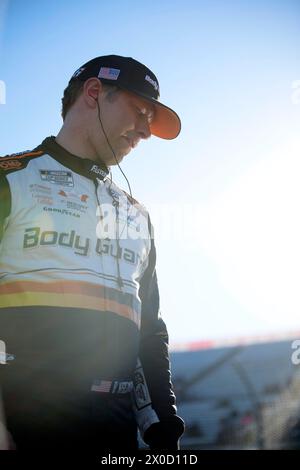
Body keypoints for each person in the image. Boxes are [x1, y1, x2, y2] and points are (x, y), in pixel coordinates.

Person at [0, 55, 184, 451]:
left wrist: (164, 430)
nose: (146, 132)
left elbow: (149, 330)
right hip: (25, 424)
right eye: (140, 111)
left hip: (118, 434)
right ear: (95, 92)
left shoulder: (138, 215)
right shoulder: (9, 179)